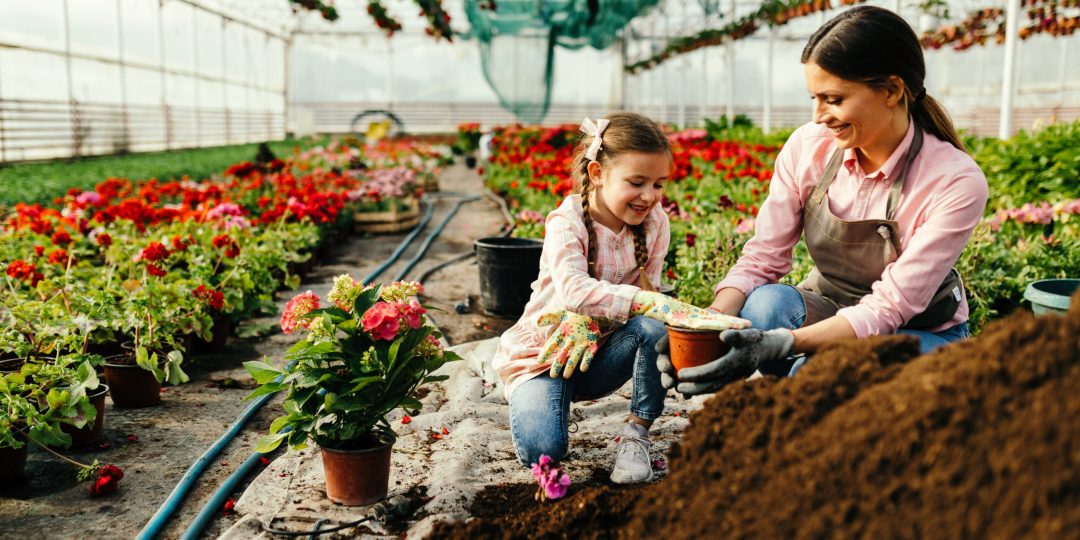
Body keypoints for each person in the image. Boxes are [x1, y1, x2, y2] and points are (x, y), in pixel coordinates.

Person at [657, 6, 989, 396]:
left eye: (833, 99)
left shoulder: (954, 179)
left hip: (917, 332)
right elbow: (763, 258)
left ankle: (813, 399)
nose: (819, 116)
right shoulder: (809, 147)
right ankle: (807, 396)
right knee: (764, 308)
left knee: (820, 371)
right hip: (831, 306)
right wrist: (708, 325)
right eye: (814, 97)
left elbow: (889, 308)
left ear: (892, 91)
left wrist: (784, 344)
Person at [492, 112, 749, 483]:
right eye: (637, 182)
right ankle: (540, 399)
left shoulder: (655, 223)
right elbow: (574, 290)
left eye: (659, 184)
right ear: (597, 173)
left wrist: (661, 312)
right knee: (544, 451)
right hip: (544, 356)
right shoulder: (567, 222)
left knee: (652, 326)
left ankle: (636, 433)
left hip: (602, 355)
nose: (649, 196)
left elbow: (649, 302)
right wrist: (643, 303)